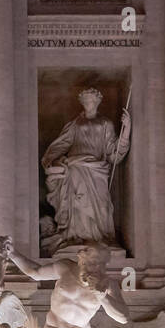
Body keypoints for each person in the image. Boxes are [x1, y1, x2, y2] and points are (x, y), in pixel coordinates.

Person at [41, 87, 130, 254]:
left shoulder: (106, 123)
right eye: (86, 101)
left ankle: (100, 238)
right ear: (82, 103)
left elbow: (114, 153)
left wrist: (126, 130)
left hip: (98, 170)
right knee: (78, 204)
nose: (89, 104)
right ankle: (76, 237)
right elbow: (61, 144)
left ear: (97, 102)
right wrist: (50, 161)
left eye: (92, 101)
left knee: (102, 206)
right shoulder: (75, 124)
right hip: (76, 167)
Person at [7, 242, 128, 328]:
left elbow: (123, 318)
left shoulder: (108, 285)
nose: (97, 269)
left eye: (101, 265)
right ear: (82, 260)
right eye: (93, 263)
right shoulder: (65, 268)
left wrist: (103, 297)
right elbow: (35, 272)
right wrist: (13, 254)